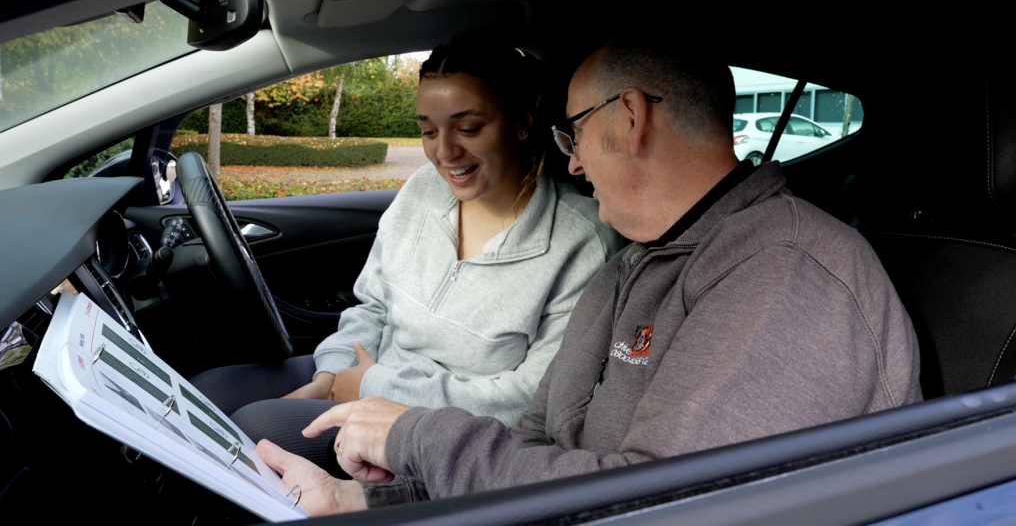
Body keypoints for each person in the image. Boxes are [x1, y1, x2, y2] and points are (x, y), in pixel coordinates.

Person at [255, 37, 923, 513]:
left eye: (573, 133)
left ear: (630, 117)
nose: (570, 164)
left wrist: (414, 434)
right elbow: (532, 449)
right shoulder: (632, 266)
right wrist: (362, 498)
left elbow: (662, 499)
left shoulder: (784, 274)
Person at [189, 32, 621, 471]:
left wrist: (375, 387)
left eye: (468, 128)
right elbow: (373, 304)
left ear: (521, 122)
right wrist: (329, 374)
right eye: (428, 131)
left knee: (253, 429)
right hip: (361, 371)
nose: (445, 152)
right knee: (204, 393)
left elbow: (528, 398)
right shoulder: (422, 190)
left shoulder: (582, 241)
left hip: (440, 426)